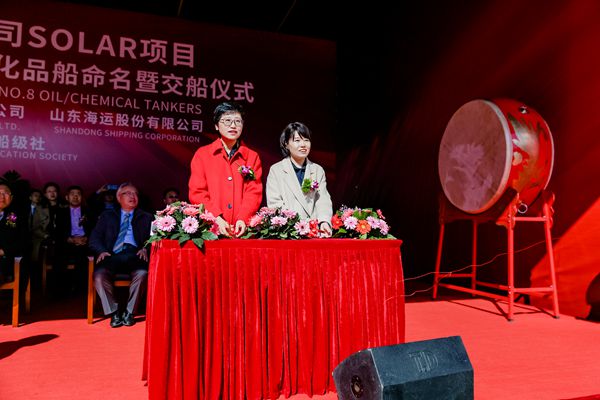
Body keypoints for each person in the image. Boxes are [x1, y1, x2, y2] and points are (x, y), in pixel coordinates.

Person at [188, 102, 262, 237]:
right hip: (210, 229)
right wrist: (216, 217)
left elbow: (254, 192)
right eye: (227, 121)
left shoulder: (252, 156)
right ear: (216, 125)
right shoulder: (202, 154)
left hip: (241, 230)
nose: (233, 125)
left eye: (237, 121)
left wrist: (243, 218)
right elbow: (197, 192)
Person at [89, 182, 152, 328]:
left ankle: (130, 312)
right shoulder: (107, 215)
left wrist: (145, 248)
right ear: (118, 198)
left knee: (142, 274)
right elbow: (94, 239)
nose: (132, 196)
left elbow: (155, 239)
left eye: (135, 193)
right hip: (111, 255)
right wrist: (101, 250)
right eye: (128, 193)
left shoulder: (147, 217)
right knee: (98, 276)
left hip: (135, 254)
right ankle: (114, 312)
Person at [266, 122, 333, 236]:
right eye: (297, 140)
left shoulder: (317, 170)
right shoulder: (276, 170)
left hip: (314, 231)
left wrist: (324, 221)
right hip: (289, 232)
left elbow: (323, 200)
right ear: (286, 144)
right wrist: (297, 225)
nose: (303, 145)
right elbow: (275, 203)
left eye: (306, 140)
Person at [54, 185, 94, 294]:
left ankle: (81, 289)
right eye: (72, 194)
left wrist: (86, 238)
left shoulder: (89, 211)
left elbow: (95, 228)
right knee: (58, 255)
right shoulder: (60, 212)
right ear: (67, 197)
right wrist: (71, 239)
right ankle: (61, 290)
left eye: (78, 194)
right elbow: (57, 230)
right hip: (67, 242)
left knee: (84, 257)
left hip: (85, 242)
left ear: (82, 197)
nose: (75, 197)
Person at [0, 184, 26, 283]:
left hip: (6, 259)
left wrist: (3, 251)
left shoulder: (14, 216)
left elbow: (23, 241)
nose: (2, 196)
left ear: (11, 198)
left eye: (5, 193)